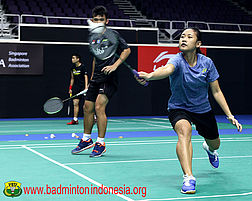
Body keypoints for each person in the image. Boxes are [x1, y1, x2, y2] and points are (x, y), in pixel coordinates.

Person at [137, 28, 242, 194]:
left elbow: (216, 91)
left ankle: (209, 149)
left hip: (202, 109)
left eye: (189, 37)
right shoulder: (177, 60)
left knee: (216, 143)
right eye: (182, 37)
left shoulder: (207, 63)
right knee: (184, 132)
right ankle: (188, 177)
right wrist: (150, 75)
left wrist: (230, 115)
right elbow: (167, 70)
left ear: (198, 43)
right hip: (179, 107)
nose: (183, 39)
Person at [71, 6, 131, 157]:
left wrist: (115, 65)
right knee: (87, 107)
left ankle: (101, 143)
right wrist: (91, 78)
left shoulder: (112, 34)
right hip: (96, 78)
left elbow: (127, 50)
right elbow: (94, 59)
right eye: (96, 20)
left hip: (109, 78)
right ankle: (86, 139)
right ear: (93, 21)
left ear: (106, 21)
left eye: (101, 20)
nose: (98, 22)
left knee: (99, 107)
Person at [67, 53, 88, 125]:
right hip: (76, 88)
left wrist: (86, 87)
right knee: (75, 103)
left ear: (78, 59)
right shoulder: (72, 68)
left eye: (73, 58)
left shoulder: (83, 67)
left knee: (87, 105)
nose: (72, 59)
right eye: (72, 58)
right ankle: (75, 120)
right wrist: (70, 88)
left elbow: (86, 77)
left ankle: (93, 117)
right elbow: (72, 78)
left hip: (83, 87)